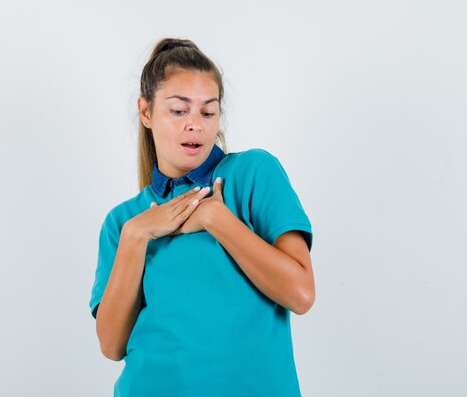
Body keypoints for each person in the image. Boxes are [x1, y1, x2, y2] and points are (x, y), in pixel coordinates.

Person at [89, 38, 315, 397]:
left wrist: (216, 219)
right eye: (179, 111)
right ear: (145, 112)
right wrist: (137, 236)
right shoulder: (124, 221)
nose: (195, 125)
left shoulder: (253, 173)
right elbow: (112, 345)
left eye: (207, 112)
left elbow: (301, 293)